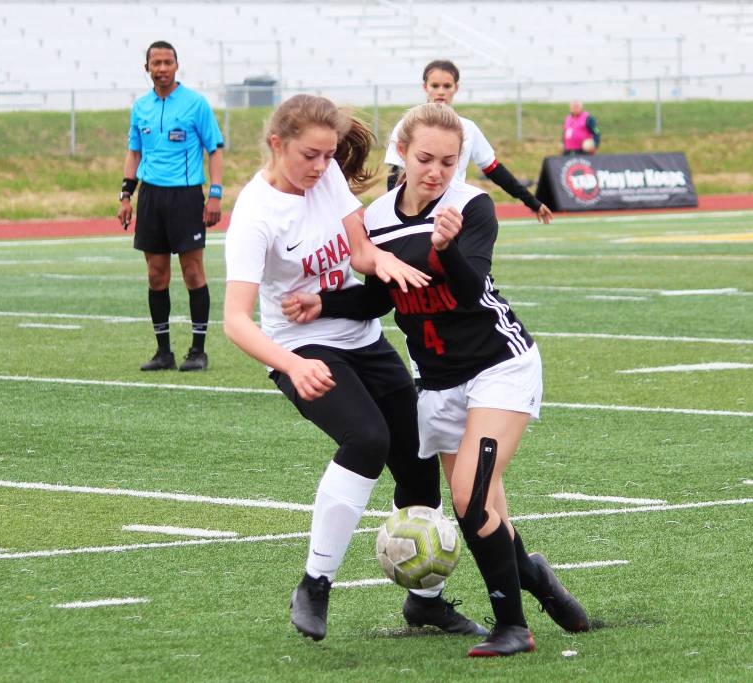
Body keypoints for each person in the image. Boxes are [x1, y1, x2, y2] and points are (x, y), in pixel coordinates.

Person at [284, 103, 590, 657]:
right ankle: (536, 577)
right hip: (438, 381)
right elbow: (381, 297)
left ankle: (513, 628)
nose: (436, 172)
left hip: (500, 366)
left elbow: (473, 291)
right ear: (401, 153)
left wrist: (447, 251)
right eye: (425, 158)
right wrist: (323, 301)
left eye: (449, 162)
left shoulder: (471, 206)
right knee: (482, 508)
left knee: (471, 501)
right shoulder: (374, 218)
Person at [223, 94, 486, 643]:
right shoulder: (254, 213)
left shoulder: (326, 179)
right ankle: (315, 583)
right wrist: (291, 365)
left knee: (416, 460)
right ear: (277, 144)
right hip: (300, 346)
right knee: (366, 439)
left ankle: (426, 603)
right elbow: (236, 321)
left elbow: (360, 250)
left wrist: (383, 262)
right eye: (310, 156)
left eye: (328, 156)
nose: (322, 168)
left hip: (363, 342)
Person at [117, 40, 224, 372]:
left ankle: (198, 350)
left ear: (177, 66)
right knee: (155, 274)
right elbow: (134, 152)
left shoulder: (196, 104)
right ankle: (163, 352)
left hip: (186, 196)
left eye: (167, 62)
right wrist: (126, 195)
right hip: (151, 196)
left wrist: (215, 193)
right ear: (146, 68)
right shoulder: (141, 107)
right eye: (155, 63)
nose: (161, 68)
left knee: (192, 272)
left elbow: (215, 149)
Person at [384, 59, 554, 225]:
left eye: (447, 86)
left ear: (456, 88)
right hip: (415, 214)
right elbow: (395, 174)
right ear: (425, 87)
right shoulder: (407, 125)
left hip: (452, 215)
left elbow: (495, 171)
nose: (441, 91)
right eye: (435, 86)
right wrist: (395, 215)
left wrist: (533, 203)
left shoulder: (468, 128)